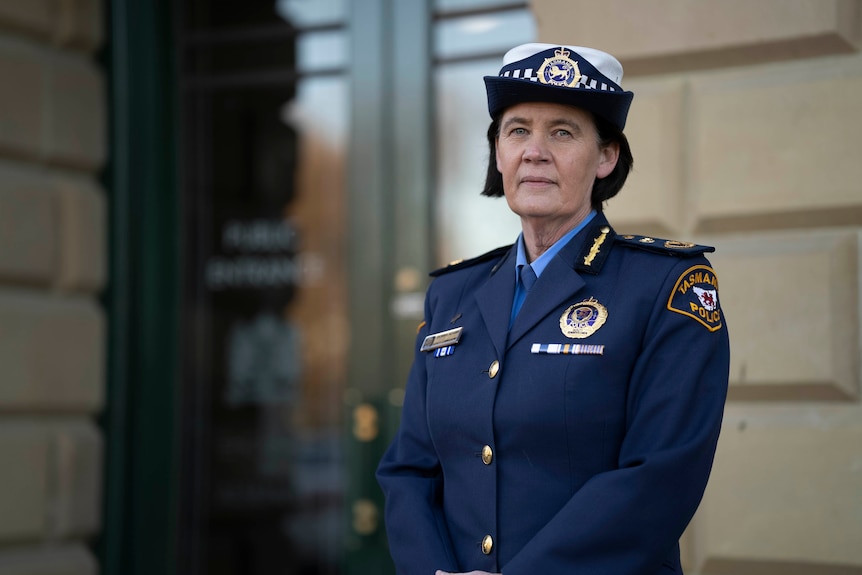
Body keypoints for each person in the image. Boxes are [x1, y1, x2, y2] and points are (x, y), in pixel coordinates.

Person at [376, 43, 730, 575]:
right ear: (498, 152)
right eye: (517, 130)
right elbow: (409, 470)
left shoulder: (667, 286)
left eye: (562, 132)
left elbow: (659, 476)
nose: (534, 151)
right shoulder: (453, 294)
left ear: (606, 156)